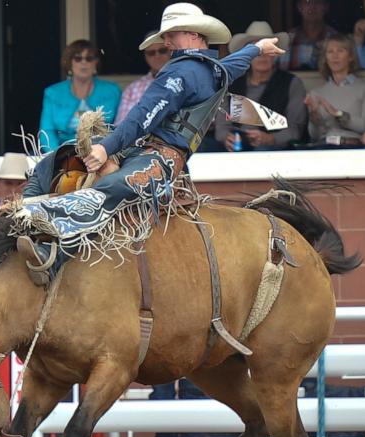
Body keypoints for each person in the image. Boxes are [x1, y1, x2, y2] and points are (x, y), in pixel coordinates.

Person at [14, 3, 284, 286]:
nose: (166, 42)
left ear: (193, 34)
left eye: (171, 35)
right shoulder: (212, 71)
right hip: (150, 152)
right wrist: (256, 49)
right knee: (69, 151)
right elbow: (235, 65)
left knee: (111, 188)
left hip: (160, 157)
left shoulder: (181, 73)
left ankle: (49, 245)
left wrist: (107, 147)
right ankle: (29, 211)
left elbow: (142, 117)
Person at [215, 21, 306, 151]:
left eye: (267, 49)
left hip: (274, 150)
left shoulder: (291, 83)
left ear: (275, 53)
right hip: (235, 147)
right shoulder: (232, 82)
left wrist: (270, 139)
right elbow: (222, 125)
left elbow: (295, 129)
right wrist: (227, 138)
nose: (262, 55)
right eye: (256, 50)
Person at [38, 39, 121, 152]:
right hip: (63, 152)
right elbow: (46, 131)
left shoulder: (112, 91)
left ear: (95, 62)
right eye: (78, 58)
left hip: (102, 151)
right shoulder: (53, 93)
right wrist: (55, 157)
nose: (84, 62)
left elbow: (119, 127)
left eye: (89, 58)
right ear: (69, 62)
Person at [304, 34, 365, 148]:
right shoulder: (316, 93)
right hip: (324, 148)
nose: (335, 56)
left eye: (340, 51)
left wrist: (338, 114)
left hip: (353, 148)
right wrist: (314, 119)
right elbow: (315, 135)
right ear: (325, 58)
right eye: (330, 52)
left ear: (351, 56)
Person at [115, 32, 171, 125]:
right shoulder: (132, 89)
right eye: (151, 53)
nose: (157, 56)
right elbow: (121, 125)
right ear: (145, 56)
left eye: (162, 50)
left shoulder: (183, 81)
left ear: (171, 51)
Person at [277, 0, 339, 72]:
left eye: (318, 2)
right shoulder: (286, 40)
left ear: (326, 7)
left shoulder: (337, 39)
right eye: (307, 1)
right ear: (299, 7)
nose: (312, 7)